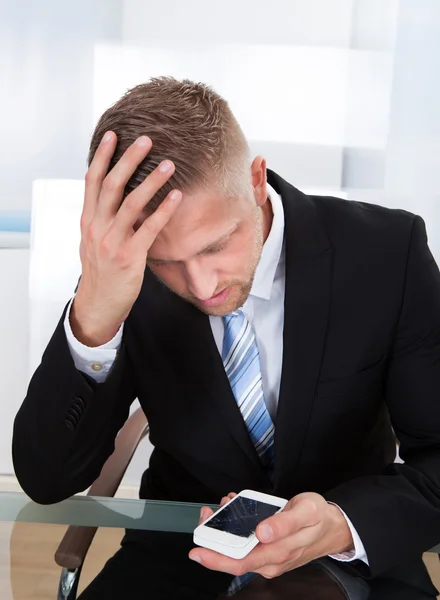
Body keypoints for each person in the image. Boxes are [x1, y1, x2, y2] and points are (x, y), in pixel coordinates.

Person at [12, 77, 440, 599]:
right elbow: (47, 480)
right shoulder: (125, 276)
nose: (202, 285)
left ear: (256, 181)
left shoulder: (386, 253)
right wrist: (94, 319)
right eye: (166, 262)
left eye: (217, 245)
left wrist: (342, 524)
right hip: (181, 561)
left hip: (353, 561)